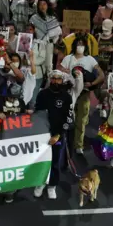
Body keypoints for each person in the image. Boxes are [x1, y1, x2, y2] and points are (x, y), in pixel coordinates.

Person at [32, 70, 73, 200]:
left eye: (58, 79)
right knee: (42, 160)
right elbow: (37, 114)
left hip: (57, 134)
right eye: (53, 78)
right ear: (50, 79)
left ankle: (52, 186)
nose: (56, 81)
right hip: (43, 133)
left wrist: (58, 135)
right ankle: (40, 184)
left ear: (62, 80)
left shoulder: (67, 97)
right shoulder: (42, 94)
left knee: (55, 161)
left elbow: (68, 119)